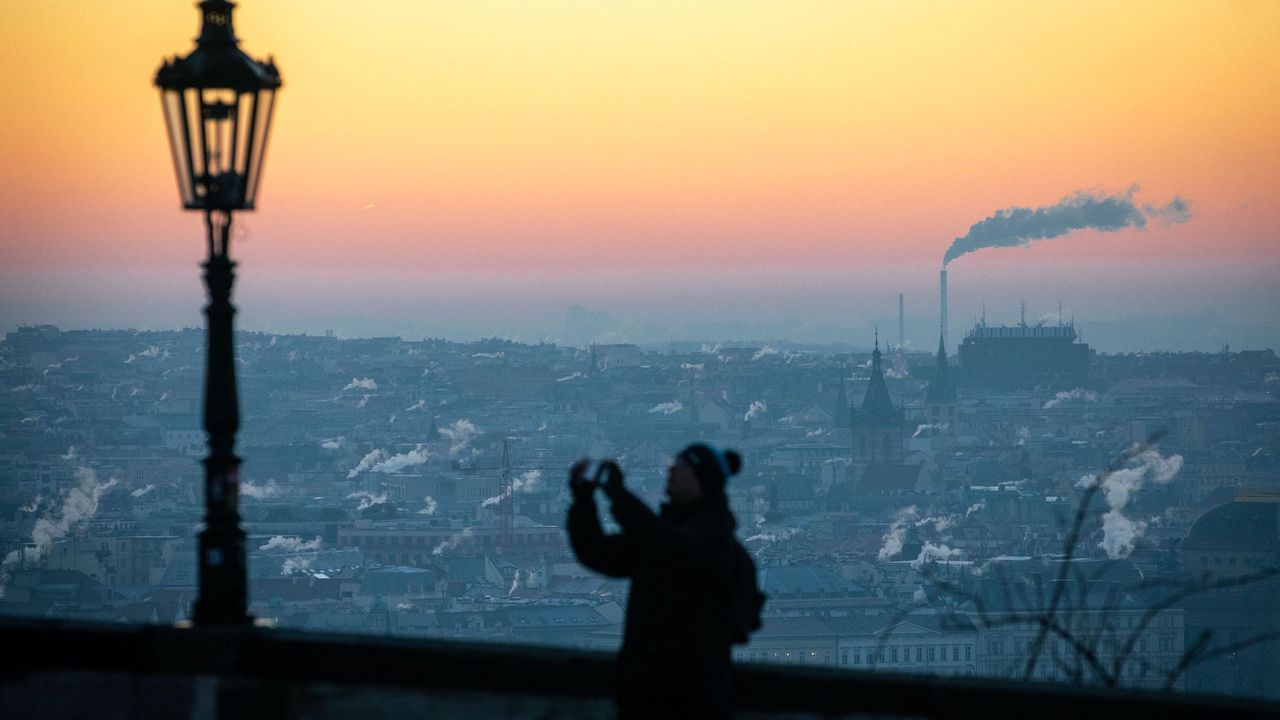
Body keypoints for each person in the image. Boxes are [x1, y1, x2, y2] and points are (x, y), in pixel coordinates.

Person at [566, 443, 757, 719]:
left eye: (682, 464)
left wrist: (618, 495)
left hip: (690, 696)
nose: (671, 469)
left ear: (701, 479)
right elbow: (599, 553)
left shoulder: (711, 539)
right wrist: (583, 502)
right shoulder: (669, 535)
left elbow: (667, 545)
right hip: (651, 693)